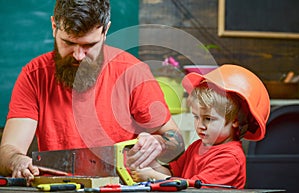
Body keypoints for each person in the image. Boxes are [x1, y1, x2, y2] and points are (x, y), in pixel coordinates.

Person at [0, 0, 184, 184]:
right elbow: (9, 150)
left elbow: (176, 141)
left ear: (105, 31)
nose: (78, 55)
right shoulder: (34, 75)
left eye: (89, 45)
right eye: (69, 43)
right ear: (54, 26)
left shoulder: (133, 72)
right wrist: (16, 160)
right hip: (57, 187)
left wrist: (159, 143)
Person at [129, 64, 270, 189]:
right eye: (196, 117)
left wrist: (153, 175)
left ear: (235, 121)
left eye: (208, 119)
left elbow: (193, 189)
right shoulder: (196, 147)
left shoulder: (230, 158)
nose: (200, 125)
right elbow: (172, 174)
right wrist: (146, 160)